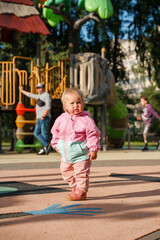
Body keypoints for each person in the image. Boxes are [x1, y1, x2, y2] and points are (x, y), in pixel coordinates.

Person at [51, 88, 100, 201]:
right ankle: (75, 187)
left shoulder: (86, 120)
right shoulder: (61, 119)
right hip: (66, 154)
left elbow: (93, 134)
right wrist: (55, 144)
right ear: (65, 106)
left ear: (83, 103)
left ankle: (81, 191)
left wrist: (93, 149)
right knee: (65, 172)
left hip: (81, 154)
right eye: (72, 103)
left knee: (81, 173)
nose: (76, 105)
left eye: (79, 102)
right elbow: (55, 131)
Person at [19, 83, 51, 155]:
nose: (39, 89)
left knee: (44, 133)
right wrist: (22, 91)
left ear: (43, 88)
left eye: (40, 88)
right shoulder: (39, 96)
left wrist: (43, 116)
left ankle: (45, 149)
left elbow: (48, 107)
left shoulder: (46, 95)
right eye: (37, 88)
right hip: (39, 118)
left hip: (44, 117)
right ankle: (46, 146)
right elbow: (30, 95)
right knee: (36, 133)